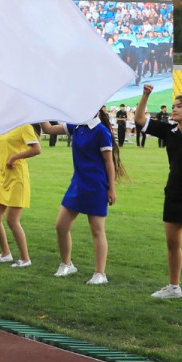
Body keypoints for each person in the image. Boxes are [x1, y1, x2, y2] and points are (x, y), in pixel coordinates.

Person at [136, 85, 182, 306]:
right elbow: (140, 119)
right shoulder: (170, 132)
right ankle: (173, 287)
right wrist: (146, 95)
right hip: (173, 193)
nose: (174, 109)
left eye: (180, 107)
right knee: (171, 242)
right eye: (174, 106)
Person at [40, 111, 124, 285]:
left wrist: (111, 189)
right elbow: (48, 129)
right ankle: (66, 264)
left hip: (96, 186)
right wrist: (39, 112)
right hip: (77, 185)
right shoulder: (76, 126)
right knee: (61, 226)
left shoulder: (101, 131)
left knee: (97, 230)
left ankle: (100, 274)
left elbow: (109, 162)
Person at [0, 124, 41, 267]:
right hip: (3, 176)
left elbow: (36, 149)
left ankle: (25, 259)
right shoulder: (4, 125)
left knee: (11, 220)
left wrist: (15, 157)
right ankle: (5, 254)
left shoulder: (25, 126)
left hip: (17, 177)